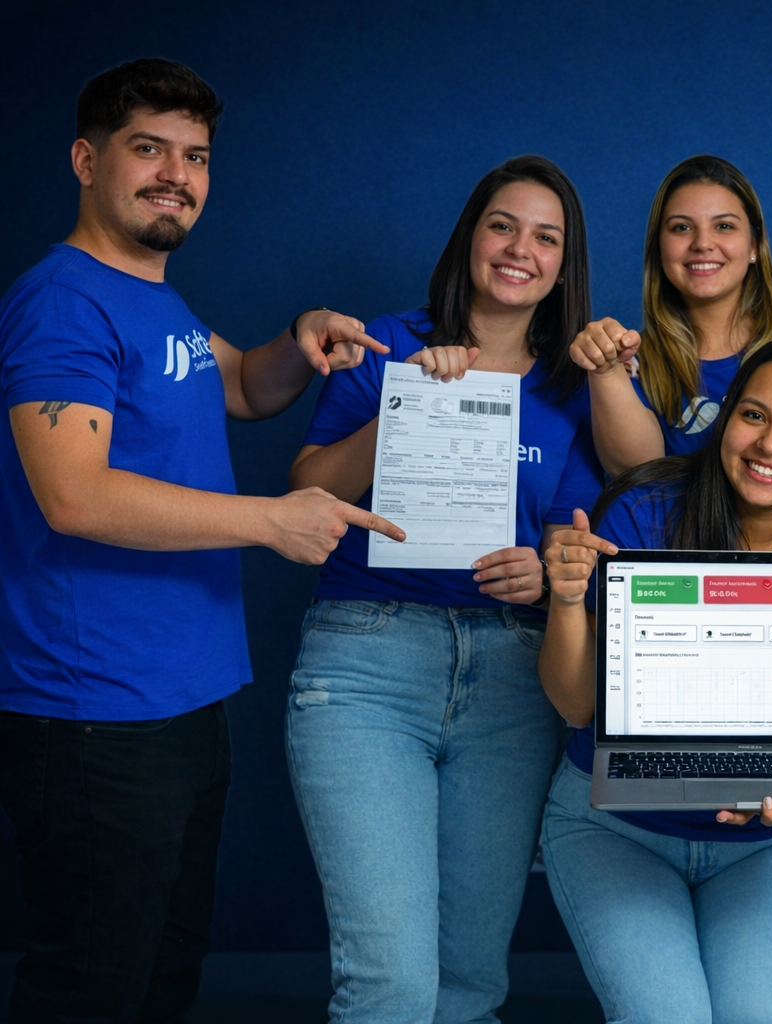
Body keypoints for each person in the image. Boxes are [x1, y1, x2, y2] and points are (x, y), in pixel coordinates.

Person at [0, 58, 401, 1022]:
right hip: (94, 710)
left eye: (196, 156)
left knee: (161, 976)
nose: (175, 174)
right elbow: (74, 495)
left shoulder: (155, 299)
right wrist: (271, 520)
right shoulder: (64, 300)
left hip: (183, 700)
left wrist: (299, 341)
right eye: (149, 150)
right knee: (92, 985)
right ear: (86, 160)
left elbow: (239, 387)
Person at [284, 155, 603, 1023]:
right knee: (390, 983)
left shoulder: (573, 388)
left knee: (467, 985)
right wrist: (405, 404)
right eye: (503, 225)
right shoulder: (387, 342)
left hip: (509, 674)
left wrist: (544, 572)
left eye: (547, 237)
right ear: (471, 236)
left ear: (564, 265)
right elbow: (308, 486)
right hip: (366, 663)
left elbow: (569, 538)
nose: (519, 249)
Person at [539, 336, 772, 1024]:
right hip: (614, 827)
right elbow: (578, 704)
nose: (770, 445)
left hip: (763, 845)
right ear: (725, 418)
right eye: (754, 416)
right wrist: (564, 601)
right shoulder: (644, 510)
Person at [567, 154, 772, 473]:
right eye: (681, 227)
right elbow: (637, 470)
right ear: (658, 248)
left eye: (724, 226)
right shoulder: (634, 360)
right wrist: (605, 371)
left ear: (755, 246)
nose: (703, 243)